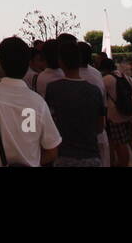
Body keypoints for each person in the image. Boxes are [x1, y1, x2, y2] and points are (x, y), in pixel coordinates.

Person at [0, 37, 60, 167]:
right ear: (28, 63)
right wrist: (32, 160)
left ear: (1, 64)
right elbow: (52, 151)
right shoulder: (38, 102)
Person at [45, 38, 105, 167]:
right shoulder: (94, 91)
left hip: (64, 156)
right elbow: (100, 126)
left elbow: (49, 122)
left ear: (60, 62)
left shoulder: (53, 89)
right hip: (91, 156)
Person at [101, 56, 132, 168]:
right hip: (127, 112)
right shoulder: (126, 76)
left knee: (120, 143)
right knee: (124, 142)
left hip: (114, 116)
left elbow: (101, 96)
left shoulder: (106, 79)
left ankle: (122, 163)